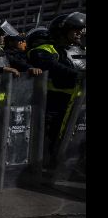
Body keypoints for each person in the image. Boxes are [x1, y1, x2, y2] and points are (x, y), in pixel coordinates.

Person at [27, 12, 86, 160]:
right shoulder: (46, 49)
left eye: (81, 29)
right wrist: (78, 75)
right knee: (50, 140)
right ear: (62, 31)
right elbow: (51, 65)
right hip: (55, 104)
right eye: (75, 29)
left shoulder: (82, 50)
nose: (80, 32)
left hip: (81, 104)